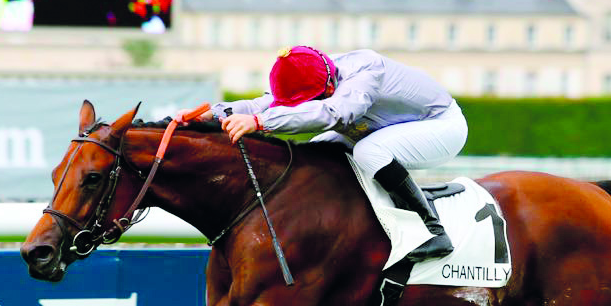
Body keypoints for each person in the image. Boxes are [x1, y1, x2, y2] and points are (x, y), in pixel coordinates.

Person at [176, 46, 468, 263]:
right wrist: (211, 114)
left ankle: (433, 231)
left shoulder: (365, 73)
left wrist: (259, 123)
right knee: (316, 151)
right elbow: (260, 105)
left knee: (369, 152)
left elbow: (334, 113)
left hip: (440, 125)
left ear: (328, 87)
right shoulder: (307, 75)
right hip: (382, 127)